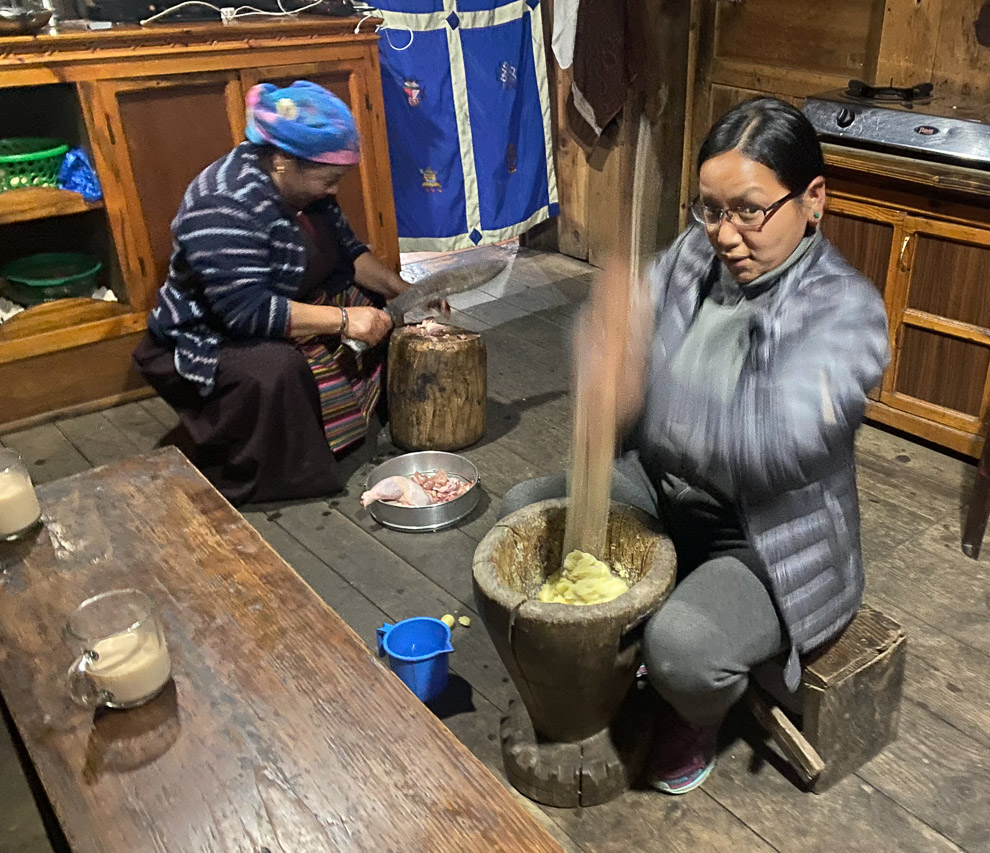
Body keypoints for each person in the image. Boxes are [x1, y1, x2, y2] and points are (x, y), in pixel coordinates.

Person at [499, 97, 890, 794]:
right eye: (709, 209)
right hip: (665, 484)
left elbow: (776, 443)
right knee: (524, 515)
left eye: (749, 210)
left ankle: (695, 710)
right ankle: (605, 666)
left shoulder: (846, 312)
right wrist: (603, 338)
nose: (726, 234)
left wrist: (648, 390)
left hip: (768, 537)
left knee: (682, 650)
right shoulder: (695, 253)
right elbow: (621, 329)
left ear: (813, 199)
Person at [133, 80, 431, 505]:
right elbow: (247, 311)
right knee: (278, 371)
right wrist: (345, 321)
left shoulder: (305, 190)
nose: (334, 190)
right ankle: (286, 470)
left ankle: (359, 421)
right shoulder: (223, 202)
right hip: (214, 332)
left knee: (384, 310)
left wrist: (406, 291)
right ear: (282, 162)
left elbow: (349, 255)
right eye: (328, 179)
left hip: (295, 297)